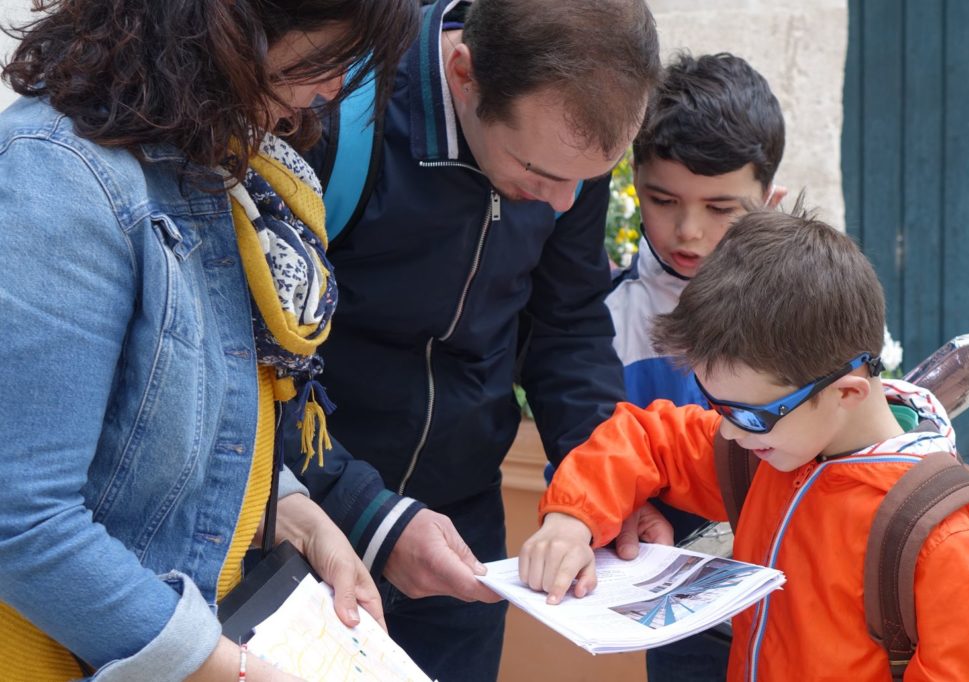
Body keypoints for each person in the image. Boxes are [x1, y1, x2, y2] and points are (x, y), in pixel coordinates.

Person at [0, 1, 417, 680]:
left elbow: (179, 424)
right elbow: (20, 518)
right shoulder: (59, 176)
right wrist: (231, 669)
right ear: (237, 23)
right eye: (329, 56)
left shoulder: (213, 161)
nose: (336, 89)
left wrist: (305, 520)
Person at [287, 0, 660, 679]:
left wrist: (604, 486)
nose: (561, 203)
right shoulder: (334, 106)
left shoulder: (567, 139)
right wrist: (372, 517)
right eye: (539, 173)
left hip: (465, 531)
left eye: (587, 178)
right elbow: (253, 365)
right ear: (464, 73)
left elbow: (567, 324)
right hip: (311, 515)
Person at [518, 207, 969, 680]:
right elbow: (650, 438)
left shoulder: (941, 543)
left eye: (748, 414)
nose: (730, 431)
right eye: (717, 405)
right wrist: (572, 518)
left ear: (846, 392)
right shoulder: (772, 448)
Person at [605, 52, 785, 681]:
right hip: (675, 606)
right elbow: (588, 447)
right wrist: (620, 506)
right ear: (632, 183)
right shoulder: (602, 322)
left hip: (793, 600)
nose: (688, 231)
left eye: (721, 209)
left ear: (771, 200)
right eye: (663, 200)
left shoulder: (805, 314)